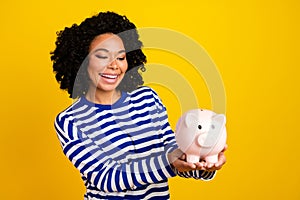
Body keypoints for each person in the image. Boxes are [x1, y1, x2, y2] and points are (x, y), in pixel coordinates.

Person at [51, 11, 227, 200]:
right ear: (82, 62)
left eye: (121, 57)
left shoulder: (148, 99)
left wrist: (201, 162)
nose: (114, 65)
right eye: (102, 56)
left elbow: (171, 149)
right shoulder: (70, 121)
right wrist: (169, 161)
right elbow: (106, 178)